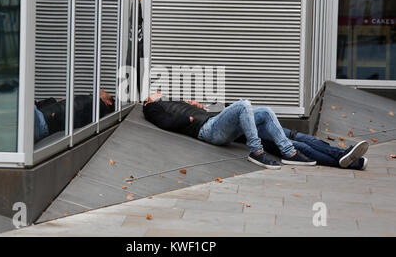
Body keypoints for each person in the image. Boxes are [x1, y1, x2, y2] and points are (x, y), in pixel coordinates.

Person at [143, 92, 369, 170]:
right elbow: (166, 123)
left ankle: (339, 157)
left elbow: (212, 112)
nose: (160, 91)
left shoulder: (173, 101)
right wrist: (190, 116)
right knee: (243, 104)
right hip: (207, 130)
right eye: (156, 91)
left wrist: (196, 106)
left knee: (266, 111)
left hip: (216, 125)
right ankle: (257, 152)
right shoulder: (151, 106)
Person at [257, 128, 369, 170]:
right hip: (265, 139)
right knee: (303, 147)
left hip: (275, 130)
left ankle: (342, 155)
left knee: (308, 139)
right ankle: (349, 161)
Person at [34, 89, 115, 142]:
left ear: (109, 102)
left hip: (44, 119)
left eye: (106, 93)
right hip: (44, 117)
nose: (102, 90)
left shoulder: (97, 104)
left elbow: (75, 108)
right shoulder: (93, 103)